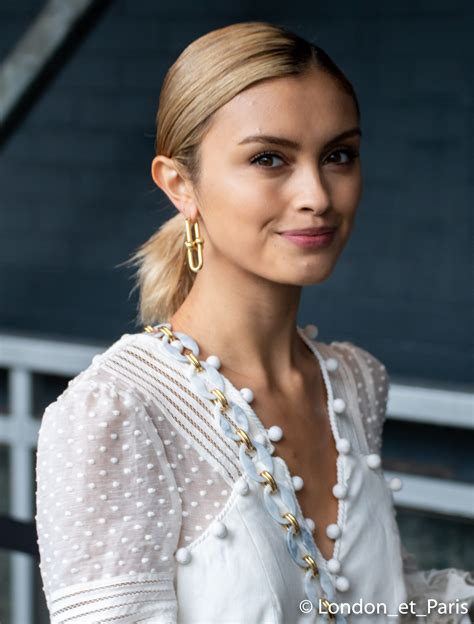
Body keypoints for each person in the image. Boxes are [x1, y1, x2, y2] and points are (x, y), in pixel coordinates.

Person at [35, 21, 473, 624]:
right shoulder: (117, 412)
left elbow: (369, 600)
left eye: (339, 155)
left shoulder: (355, 381)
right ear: (180, 184)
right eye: (269, 158)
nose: (317, 193)